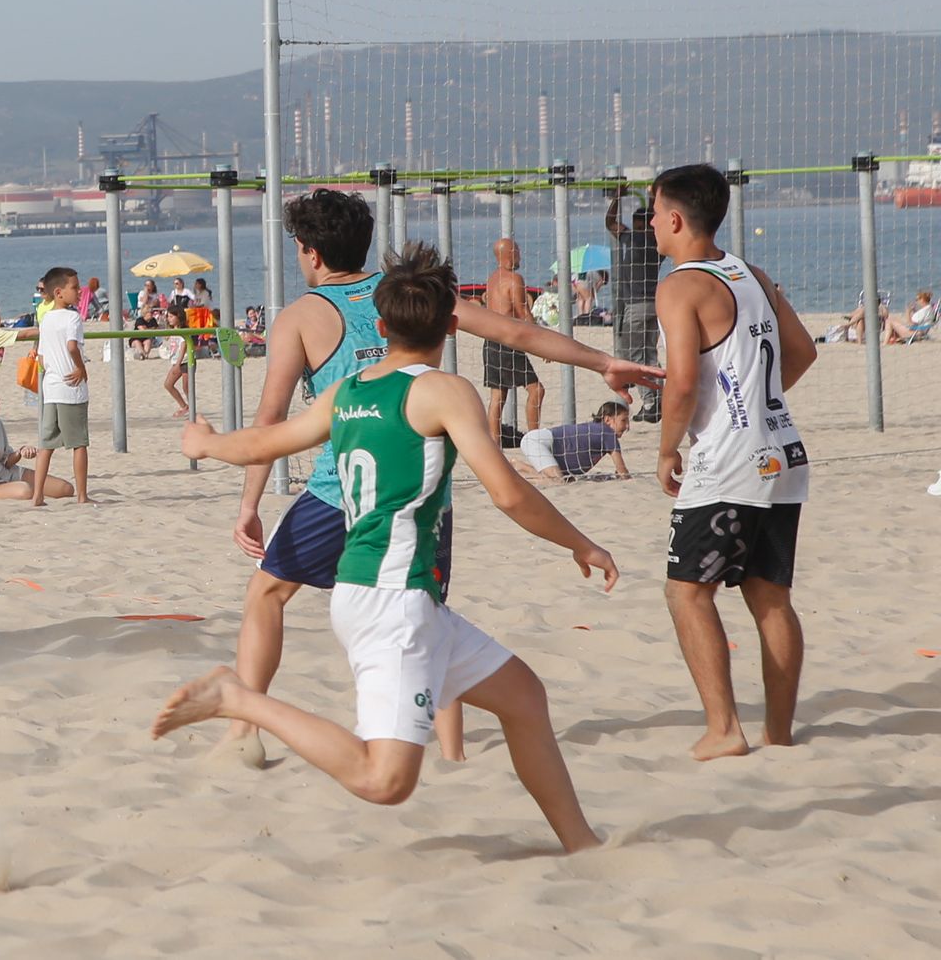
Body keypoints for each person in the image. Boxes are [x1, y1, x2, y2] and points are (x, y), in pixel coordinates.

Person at [155, 245, 614, 854]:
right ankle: (237, 698)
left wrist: (206, 443)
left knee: (524, 698)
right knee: (385, 781)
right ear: (451, 325)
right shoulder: (443, 391)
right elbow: (507, 493)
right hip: (392, 604)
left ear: (379, 324)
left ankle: (581, 843)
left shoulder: (347, 389)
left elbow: (266, 442)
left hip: (391, 594)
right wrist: (580, 542)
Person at [218, 189, 662, 766]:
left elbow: (271, 418)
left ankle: (244, 727)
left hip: (338, 490)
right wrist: (604, 362)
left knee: (266, 593)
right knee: (430, 617)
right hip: (422, 492)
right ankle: (451, 754)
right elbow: (517, 334)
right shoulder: (413, 294)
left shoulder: (301, 316)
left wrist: (250, 503)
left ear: (309, 253)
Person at [652, 163, 815, 761]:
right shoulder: (754, 272)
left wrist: (669, 447)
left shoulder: (680, 285)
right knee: (770, 595)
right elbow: (802, 352)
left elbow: (682, 383)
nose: (649, 224)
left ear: (674, 218)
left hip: (729, 459)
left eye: (652, 213)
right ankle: (780, 732)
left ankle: (724, 728)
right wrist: (760, 400)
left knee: (687, 593)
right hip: (784, 449)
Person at [32, 267, 90, 505]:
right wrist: (81, 369)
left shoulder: (46, 319)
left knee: (47, 444)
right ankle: (82, 495)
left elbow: (42, 357)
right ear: (58, 292)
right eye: (75, 288)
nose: (79, 291)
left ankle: (37, 495)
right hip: (70, 387)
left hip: (51, 387)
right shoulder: (72, 317)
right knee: (79, 443)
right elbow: (72, 346)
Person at [607, 186, 663, 422]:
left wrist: (617, 197)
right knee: (650, 353)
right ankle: (659, 396)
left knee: (635, 357)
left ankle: (651, 403)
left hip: (637, 305)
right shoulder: (659, 243)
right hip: (655, 304)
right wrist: (652, 197)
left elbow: (610, 222)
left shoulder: (633, 238)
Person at [481, 237, 545, 441]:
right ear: (509, 254)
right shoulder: (514, 279)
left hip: (491, 340)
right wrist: (542, 342)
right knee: (536, 390)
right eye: (517, 250)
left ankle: (494, 444)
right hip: (508, 340)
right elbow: (522, 312)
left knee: (498, 395)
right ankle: (534, 438)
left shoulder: (492, 278)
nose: (520, 254)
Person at [512, 401, 631, 482]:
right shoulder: (607, 432)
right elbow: (622, 470)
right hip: (539, 441)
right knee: (556, 482)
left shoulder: (597, 430)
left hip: (537, 439)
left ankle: (520, 467)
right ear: (607, 419)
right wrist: (628, 479)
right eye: (623, 420)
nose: (627, 426)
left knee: (564, 480)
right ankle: (517, 472)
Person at [161, 303, 191, 417]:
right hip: (176, 360)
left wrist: (178, 363)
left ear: (179, 316)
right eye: (168, 316)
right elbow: (166, 338)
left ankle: (191, 409)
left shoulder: (183, 330)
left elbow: (184, 346)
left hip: (185, 361)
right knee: (168, 384)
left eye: (171, 316)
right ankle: (184, 406)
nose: (169, 319)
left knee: (186, 386)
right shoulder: (173, 329)